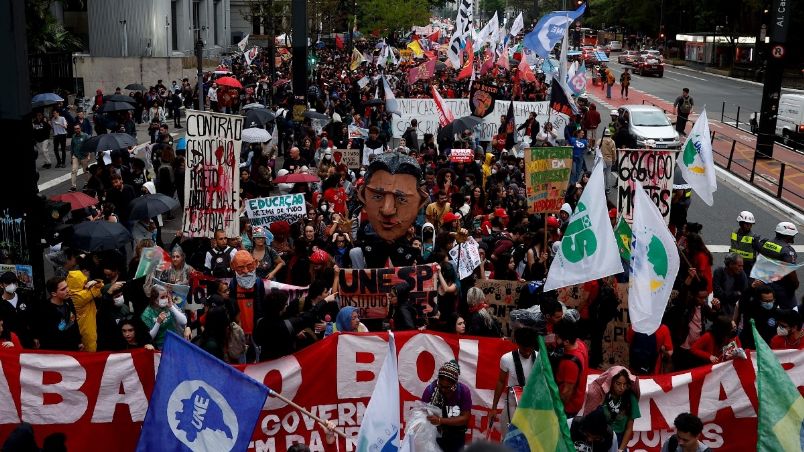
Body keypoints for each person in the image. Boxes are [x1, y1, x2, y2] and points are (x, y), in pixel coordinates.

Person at [350, 153, 429, 268]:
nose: (387, 211)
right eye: (377, 196)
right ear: (363, 196)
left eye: (401, 199)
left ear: (420, 202)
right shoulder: (361, 250)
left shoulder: (415, 250)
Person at [489, 327, 539, 431]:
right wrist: (494, 408)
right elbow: (501, 382)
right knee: (508, 439)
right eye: (524, 349)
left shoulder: (540, 358)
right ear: (518, 344)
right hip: (512, 406)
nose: (527, 353)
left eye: (530, 349)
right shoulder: (506, 359)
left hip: (532, 407)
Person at [582, 366, 641, 451]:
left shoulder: (630, 399)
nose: (622, 388)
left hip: (619, 440)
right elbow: (589, 420)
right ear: (611, 381)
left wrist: (620, 449)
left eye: (624, 384)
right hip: (599, 439)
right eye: (618, 383)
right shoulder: (601, 394)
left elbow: (629, 429)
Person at [422, 360, 472, 452]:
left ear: (455, 384)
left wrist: (441, 420)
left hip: (456, 435)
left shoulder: (464, 392)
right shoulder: (430, 390)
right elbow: (422, 414)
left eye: (447, 387)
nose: (443, 389)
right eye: (441, 385)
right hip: (434, 435)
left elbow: (465, 418)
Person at [33, 277, 82, 351]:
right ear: (54, 293)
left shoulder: (69, 303)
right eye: (63, 289)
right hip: (55, 351)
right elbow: (40, 330)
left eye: (67, 286)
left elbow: (74, 324)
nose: (68, 290)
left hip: (72, 348)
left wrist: (79, 342)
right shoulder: (44, 309)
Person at [757, 221, 799, 309]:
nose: (794, 237)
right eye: (793, 235)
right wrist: (795, 285)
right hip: (782, 288)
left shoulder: (766, 243)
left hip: (765, 284)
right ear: (788, 235)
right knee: (793, 313)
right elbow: (791, 273)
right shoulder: (787, 251)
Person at [554, 318, 589, 417]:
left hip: (568, 407)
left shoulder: (570, 363)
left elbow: (566, 393)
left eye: (557, 337)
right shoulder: (580, 344)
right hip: (578, 398)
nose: (555, 339)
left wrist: (557, 410)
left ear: (566, 342)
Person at [140, 285, 187, 349]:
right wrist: (158, 323)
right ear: (155, 300)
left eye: (166, 296)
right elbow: (149, 337)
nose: (165, 299)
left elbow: (184, 321)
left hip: (175, 340)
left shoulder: (168, 305)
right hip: (161, 345)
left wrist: (171, 307)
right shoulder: (147, 314)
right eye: (162, 297)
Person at [66, 269, 102, 352]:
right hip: (87, 327)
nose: (85, 282)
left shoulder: (72, 293)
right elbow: (99, 287)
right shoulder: (82, 295)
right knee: (90, 349)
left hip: (81, 325)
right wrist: (95, 282)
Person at [0, 272, 32, 348]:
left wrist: (35, 337)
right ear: (1, 285)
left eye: (14, 282)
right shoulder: (1, 303)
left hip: (26, 342)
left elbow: (32, 318)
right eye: (8, 283)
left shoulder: (25, 298)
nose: (12, 285)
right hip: (8, 343)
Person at [712, 253, 748, 318]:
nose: (741, 268)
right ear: (730, 264)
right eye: (739, 266)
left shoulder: (742, 274)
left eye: (742, 266)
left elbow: (744, 293)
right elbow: (717, 293)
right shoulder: (719, 272)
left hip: (735, 310)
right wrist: (735, 294)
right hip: (720, 307)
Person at [729, 211, 760, 276]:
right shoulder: (734, 233)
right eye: (747, 224)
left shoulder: (754, 237)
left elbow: (759, 252)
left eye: (750, 224)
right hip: (733, 264)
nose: (749, 226)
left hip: (747, 267)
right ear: (741, 223)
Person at [69, 124, 91, 191]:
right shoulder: (73, 136)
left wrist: (89, 156)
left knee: (85, 171)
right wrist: (71, 157)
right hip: (75, 156)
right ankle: (73, 186)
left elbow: (89, 145)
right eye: (75, 129)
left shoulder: (85, 136)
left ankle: (86, 184)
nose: (77, 130)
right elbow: (72, 147)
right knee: (74, 170)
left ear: (80, 128)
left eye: (78, 128)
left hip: (84, 156)